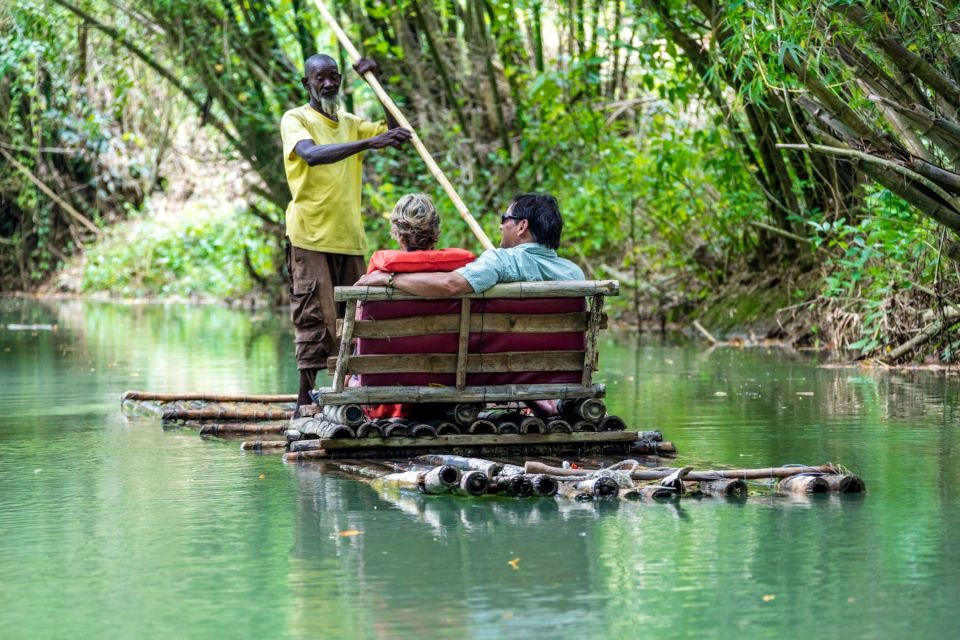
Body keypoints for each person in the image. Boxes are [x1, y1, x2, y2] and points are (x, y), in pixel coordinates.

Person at [280, 53, 412, 413]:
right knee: (312, 315)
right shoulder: (296, 119)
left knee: (356, 320)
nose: (327, 84)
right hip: (309, 235)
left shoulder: (350, 122)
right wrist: (369, 144)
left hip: (349, 237)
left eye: (333, 77)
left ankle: (354, 396)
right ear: (306, 83)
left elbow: (398, 130)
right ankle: (304, 402)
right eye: (319, 78)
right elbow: (311, 155)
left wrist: (376, 80)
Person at [353, 193, 475, 419]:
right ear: (435, 232)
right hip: (448, 381)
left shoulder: (379, 274)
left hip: (383, 389)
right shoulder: (460, 273)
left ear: (397, 233)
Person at [355, 193, 584, 293]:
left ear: (522, 226)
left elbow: (450, 285)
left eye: (505, 219)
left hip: (506, 373)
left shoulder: (500, 261)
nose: (500, 226)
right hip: (561, 372)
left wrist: (389, 278)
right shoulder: (575, 275)